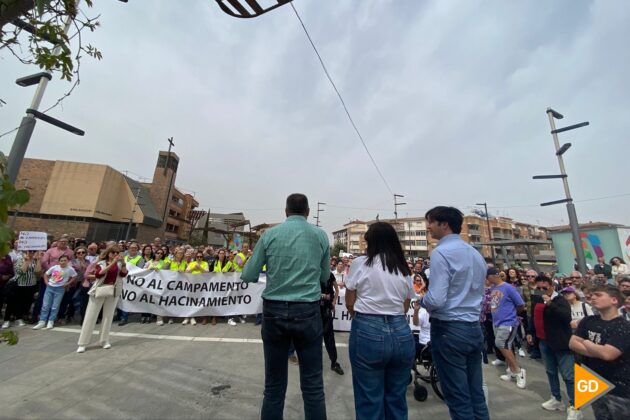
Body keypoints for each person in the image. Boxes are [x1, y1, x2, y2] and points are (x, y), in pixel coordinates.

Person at [241, 193, 329, 420]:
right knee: (313, 386)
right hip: (308, 311)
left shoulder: (270, 234)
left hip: (274, 312)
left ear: (286, 212)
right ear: (308, 212)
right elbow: (325, 275)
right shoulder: (320, 235)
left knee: (273, 386)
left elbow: (249, 274)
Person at [418, 206, 488, 420]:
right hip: (473, 327)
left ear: (444, 224)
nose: (428, 227)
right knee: (476, 394)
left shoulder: (441, 252)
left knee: (458, 397)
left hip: (450, 329)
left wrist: (422, 300)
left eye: (430, 222)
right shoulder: (475, 254)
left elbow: (437, 299)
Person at [344, 222, 415, 420]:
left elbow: (350, 298)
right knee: (396, 398)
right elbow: (405, 304)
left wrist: (358, 315)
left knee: (369, 399)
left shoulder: (362, 262)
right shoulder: (403, 267)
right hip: (401, 330)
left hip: (368, 327)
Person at [570, 285, 630, 420]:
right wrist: (598, 350)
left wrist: (586, 343)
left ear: (614, 300)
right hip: (592, 381)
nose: (593, 297)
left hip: (619, 388)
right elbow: (572, 343)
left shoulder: (623, 326)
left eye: (598, 295)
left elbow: (608, 354)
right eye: (592, 295)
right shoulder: (588, 320)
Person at [526, 275, 580, 419]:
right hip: (544, 342)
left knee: (568, 376)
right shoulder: (536, 298)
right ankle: (556, 399)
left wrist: (550, 303)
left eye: (545, 287)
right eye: (539, 287)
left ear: (551, 286)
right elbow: (533, 316)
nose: (542, 290)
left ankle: (575, 406)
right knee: (550, 372)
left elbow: (565, 317)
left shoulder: (560, 300)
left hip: (561, 343)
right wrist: (530, 332)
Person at [76, 245, 128, 353]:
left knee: (108, 317)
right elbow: (99, 274)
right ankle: (83, 343)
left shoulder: (119, 264)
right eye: (113, 252)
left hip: (113, 291)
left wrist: (122, 263)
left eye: (117, 253)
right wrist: (113, 263)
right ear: (108, 253)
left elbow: (124, 274)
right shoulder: (101, 263)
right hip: (99, 290)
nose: (115, 255)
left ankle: (104, 340)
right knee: (91, 316)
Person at [487, 267, 527, 388]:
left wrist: (513, 313)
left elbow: (520, 304)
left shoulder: (509, 288)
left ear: (493, 276)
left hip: (507, 322)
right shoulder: (494, 288)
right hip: (496, 321)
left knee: (501, 343)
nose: (486, 280)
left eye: (487, 277)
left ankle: (518, 371)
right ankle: (511, 370)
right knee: (506, 346)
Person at [33, 255, 77, 330]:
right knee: (45, 305)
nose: (63, 262)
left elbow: (74, 276)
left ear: (67, 261)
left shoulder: (70, 269)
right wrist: (46, 282)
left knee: (55, 306)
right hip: (50, 287)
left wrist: (68, 283)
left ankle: (51, 321)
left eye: (65, 260)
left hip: (60, 289)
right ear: (59, 261)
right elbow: (46, 274)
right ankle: (42, 321)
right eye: (61, 260)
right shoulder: (54, 267)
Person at [2, 250, 41, 328]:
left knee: (24, 303)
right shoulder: (20, 259)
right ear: (26, 251)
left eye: (34, 251)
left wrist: (38, 260)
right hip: (18, 284)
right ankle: (6, 320)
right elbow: (21, 271)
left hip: (30, 285)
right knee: (12, 303)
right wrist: (26, 261)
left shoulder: (35, 260)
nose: (32, 253)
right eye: (30, 251)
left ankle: (19, 318)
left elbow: (37, 272)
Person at [320, 271, 343, 375]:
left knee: (329, 337)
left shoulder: (330, 274)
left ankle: (334, 362)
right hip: (315, 310)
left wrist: (333, 301)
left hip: (327, 310)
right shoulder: (314, 273)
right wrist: (323, 296)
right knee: (314, 338)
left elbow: (337, 289)